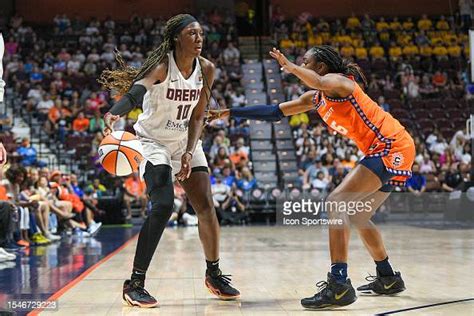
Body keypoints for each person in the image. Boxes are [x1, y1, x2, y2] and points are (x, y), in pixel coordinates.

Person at [209, 45, 415, 309]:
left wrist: (289, 66)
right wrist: (231, 112)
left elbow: (318, 81)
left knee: (337, 202)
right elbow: (275, 112)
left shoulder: (340, 83)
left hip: (391, 146)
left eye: (304, 62)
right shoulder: (316, 98)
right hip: (387, 148)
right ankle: (387, 277)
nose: (300, 64)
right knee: (358, 215)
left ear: (320, 67)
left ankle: (339, 284)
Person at [99, 14, 240, 308]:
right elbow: (137, 92)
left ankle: (213, 274)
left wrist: (189, 152)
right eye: (192, 33)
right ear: (177, 37)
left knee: (205, 206)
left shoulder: (207, 69)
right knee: (163, 205)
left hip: (184, 142)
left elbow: (199, 115)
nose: (199, 39)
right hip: (152, 142)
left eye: (201, 33)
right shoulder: (162, 66)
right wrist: (115, 111)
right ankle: (134, 283)